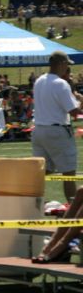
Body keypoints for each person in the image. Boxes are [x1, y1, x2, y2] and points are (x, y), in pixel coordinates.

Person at [32, 50, 83, 203]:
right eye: (66, 64)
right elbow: (74, 112)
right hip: (57, 130)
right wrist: (81, 100)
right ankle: (73, 212)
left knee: (43, 170)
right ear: (61, 64)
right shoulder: (61, 84)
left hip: (39, 129)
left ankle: (31, 201)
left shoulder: (39, 80)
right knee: (68, 173)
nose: (67, 67)